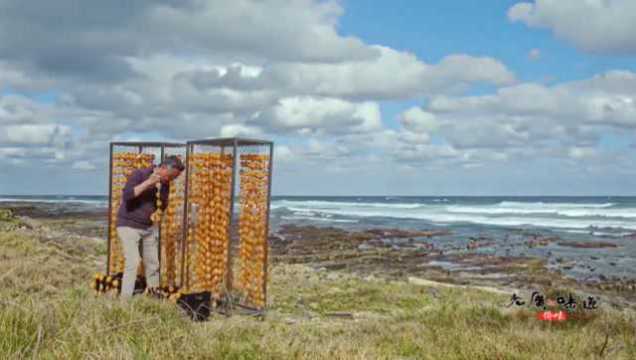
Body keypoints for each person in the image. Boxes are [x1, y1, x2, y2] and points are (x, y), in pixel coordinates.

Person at [116, 155, 185, 298]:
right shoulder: (140, 174)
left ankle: (153, 300)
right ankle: (125, 303)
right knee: (133, 262)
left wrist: (160, 207)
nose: (171, 180)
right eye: (171, 176)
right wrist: (148, 183)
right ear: (164, 168)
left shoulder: (165, 183)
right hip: (129, 225)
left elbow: (163, 205)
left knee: (153, 264)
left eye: (174, 178)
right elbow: (127, 195)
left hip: (148, 227)